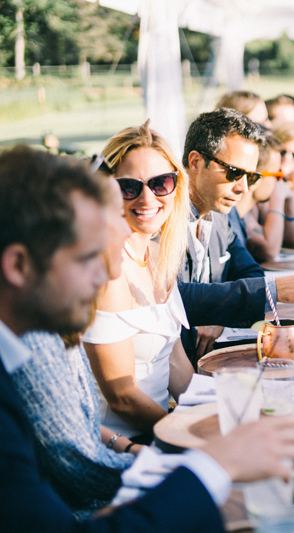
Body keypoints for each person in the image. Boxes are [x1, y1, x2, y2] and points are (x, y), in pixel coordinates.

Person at [0, 144, 294, 533]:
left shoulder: (33, 336)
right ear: (18, 266)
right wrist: (211, 464)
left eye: (161, 183)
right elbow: (77, 471)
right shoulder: (32, 350)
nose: (106, 273)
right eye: (87, 258)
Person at [10, 171, 140, 515]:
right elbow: (77, 467)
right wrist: (199, 472)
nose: (127, 229)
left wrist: (126, 448)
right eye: (85, 255)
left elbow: (74, 425)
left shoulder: (49, 319)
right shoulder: (32, 337)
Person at [182, 109, 294, 359]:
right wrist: (271, 290)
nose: (243, 187)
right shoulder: (161, 216)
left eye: (250, 176)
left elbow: (249, 270)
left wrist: (219, 312)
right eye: (234, 172)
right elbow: (174, 296)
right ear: (195, 162)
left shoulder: (220, 214)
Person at [80, 122, 193, 441]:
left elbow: (175, 360)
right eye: (129, 186)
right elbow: (122, 397)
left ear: (176, 186)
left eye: (160, 183)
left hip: (159, 431)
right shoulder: (108, 269)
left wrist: (212, 413)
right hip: (121, 449)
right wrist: (190, 436)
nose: (147, 198)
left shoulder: (160, 255)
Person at [235, 132, 294, 263]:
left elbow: (292, 241)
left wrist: (291, 205)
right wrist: (278, 198)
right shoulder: (236, 209)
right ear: (256, 177)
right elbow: (269, 251)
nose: (278, 181)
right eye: (276, 174)